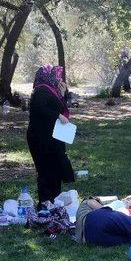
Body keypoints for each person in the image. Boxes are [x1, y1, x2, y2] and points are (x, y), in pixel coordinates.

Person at [26, 65, 75, 207]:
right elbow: (39, 108)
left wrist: (62, 92)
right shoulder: (41, 90)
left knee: (56, 168)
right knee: (46, 169)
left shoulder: (51, 90)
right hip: (41, 138)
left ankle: (54, 201)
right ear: (48, 76)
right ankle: (45, 203)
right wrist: (57, 115)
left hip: (53, 136)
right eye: (57, 76)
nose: (59, 79)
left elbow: (60, 106)